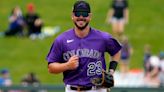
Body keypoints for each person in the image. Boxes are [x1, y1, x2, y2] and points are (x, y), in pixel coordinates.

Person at [46, 1, 122, 92]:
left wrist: (111, 71)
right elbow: (51, 68)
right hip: (72, 89)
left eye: (84, 14)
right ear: (72, 16)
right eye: (78, 13)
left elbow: (116, 52)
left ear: (90, 16)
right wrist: (67, 65)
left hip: (97, 89)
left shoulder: (103, 38)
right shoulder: (61, 40)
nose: (81, 17)